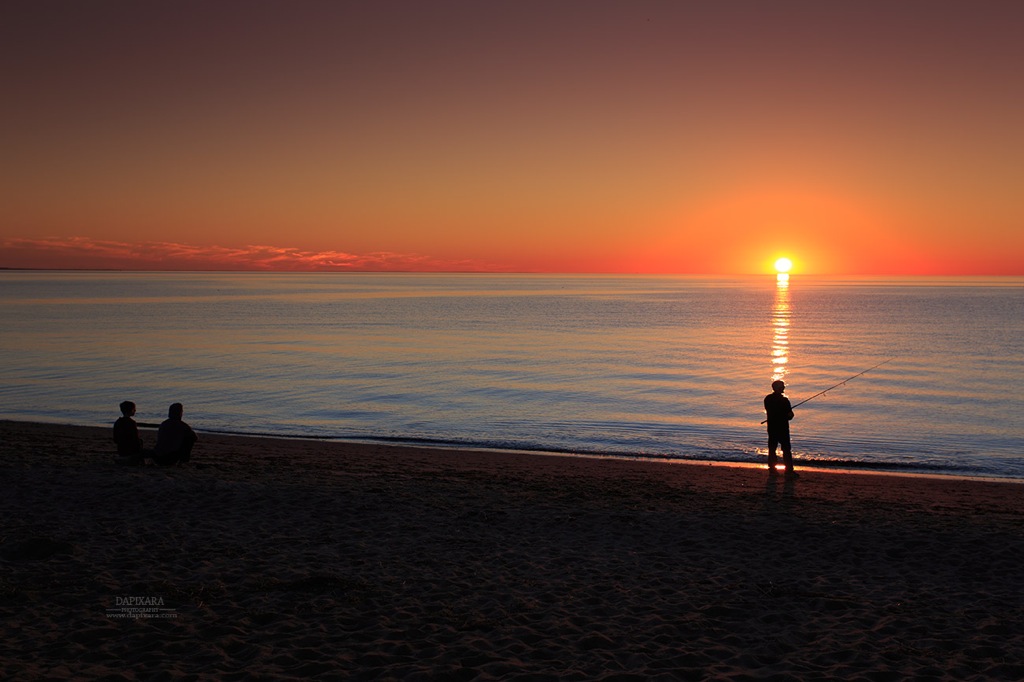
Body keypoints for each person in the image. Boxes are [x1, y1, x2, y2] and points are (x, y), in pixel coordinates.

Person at [764, 380, 797, 478]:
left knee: (772, 448)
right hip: (782, 428)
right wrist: (788, 414)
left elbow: (770, 411)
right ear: (778, 388)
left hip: (772, 427)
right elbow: (790, 416)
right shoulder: (785, 400)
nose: (784, 388)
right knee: (786, 449)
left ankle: (772, 470)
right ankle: (789, 471)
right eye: (782, 386)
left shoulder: (767, 399)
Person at [113, 400, 146, 465]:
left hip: (121, 450)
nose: (135, 411)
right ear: (131, 410)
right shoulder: (132, 423)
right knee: (141, 442)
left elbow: (115, 439)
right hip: (131, 449)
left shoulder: (117, 422)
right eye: (134, 409)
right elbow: (135, 438)